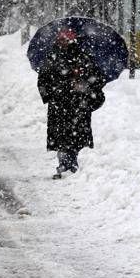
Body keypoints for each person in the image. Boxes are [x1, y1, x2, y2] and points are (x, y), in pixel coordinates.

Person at [37, 29, 106, 179]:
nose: (63, 43)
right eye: (61, 40)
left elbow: (98, 79)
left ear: (73, 41)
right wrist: (52, 95)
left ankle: (77, 164)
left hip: (79, 105)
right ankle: (65, 164)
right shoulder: (52, 58)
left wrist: (84, 86)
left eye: (66, 40)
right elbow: (43, 81)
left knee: (77, 136)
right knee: (62, 137)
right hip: (59, 106)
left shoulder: (83, 58)